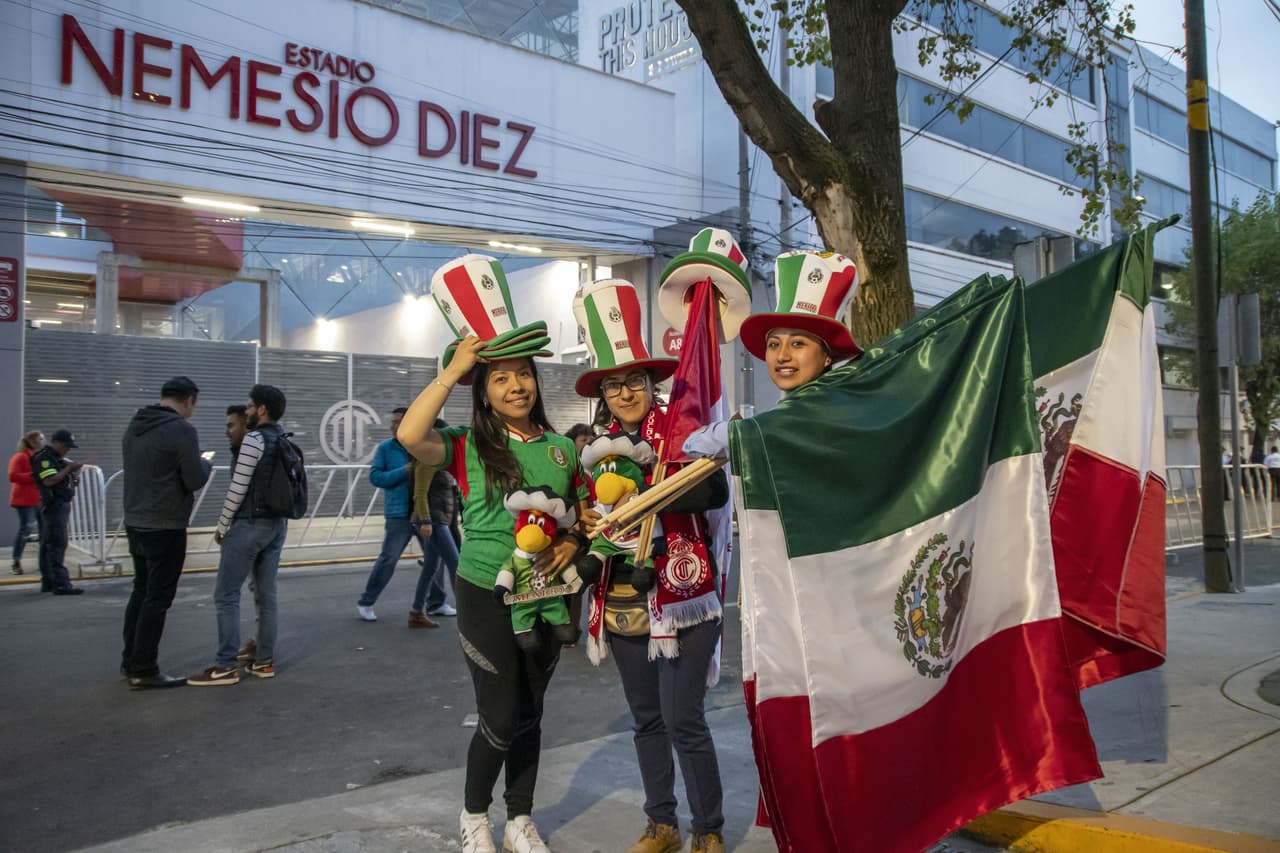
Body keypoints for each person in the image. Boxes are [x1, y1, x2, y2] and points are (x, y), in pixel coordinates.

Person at [399, 254, 591, 853]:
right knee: (500, 712)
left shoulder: (563, 447)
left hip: (550, 591)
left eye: (523, 374)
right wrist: (453, 370)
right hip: (485, 589)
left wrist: (571, 541)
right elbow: (409, 436)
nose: (516, 385)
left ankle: (521, 819)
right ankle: (474, 816)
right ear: (483, 390)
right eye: (500, 377)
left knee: (532, 711)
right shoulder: (465, 445)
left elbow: (585, 516)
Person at [572, 278, 730, 853]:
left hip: (685, 595)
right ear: (604, 395)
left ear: (650, 383)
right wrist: (592, 519)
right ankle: (660, 822)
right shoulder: (596, 448)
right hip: (622, 597)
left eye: (633, 381)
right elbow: (583, 514)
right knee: (647, 721)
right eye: (614, 386)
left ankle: (707, 829)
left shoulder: (684, 430)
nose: (625, 393)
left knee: (683, 718)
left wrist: (647, 497)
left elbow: (713, 493)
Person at [188, 384, 290, 685]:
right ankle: (264, 662)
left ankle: (225, 666)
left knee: (226, 595)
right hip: (276, 525)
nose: (246, 411)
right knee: (266, 596)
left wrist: (222, 525)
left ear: (261, 409)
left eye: (249, 406)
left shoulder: (255, 439)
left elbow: (238, 487)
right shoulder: (281, 438)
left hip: (248, 524)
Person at [120, 377, 213, 689]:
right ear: (189, 400)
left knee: (141, 591)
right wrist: (205, 463)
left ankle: (130, 660)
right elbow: (194, 479)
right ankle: (144, 669)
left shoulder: (135, 424)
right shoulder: (183, 430)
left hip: (135, 521)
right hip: (166, 523)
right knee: (157, 598)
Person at [356, 406, 439, 627]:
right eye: (392, 422)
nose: (394, 426)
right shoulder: (386, 448)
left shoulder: (421, 445)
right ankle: (366, 601)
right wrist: (403, 471)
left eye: (399, 422)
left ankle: (436, 602)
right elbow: (375, 477)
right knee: (389, 559)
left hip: (424, 513)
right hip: (399, 514)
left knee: (434, 558)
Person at [415, 418, 461, 618]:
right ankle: (470, 610)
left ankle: (416, 611)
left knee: (430, 568)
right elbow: (420, 492)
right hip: (432, 521)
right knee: (455, 563)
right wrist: (425, 520)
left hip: (442, 520)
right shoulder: (427, 459)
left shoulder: (444, 460)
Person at [30, 429, 84, 595]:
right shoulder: (44, 458)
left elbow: (62, 478)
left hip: (59, 504)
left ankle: (49, 582)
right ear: (57, 443)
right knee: (56, 544)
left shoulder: (56, 458)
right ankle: (61, 584)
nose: (67, 450)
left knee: (48, 544)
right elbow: (49, 480)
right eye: (66, 446)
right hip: (53, 505)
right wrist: (68, 469)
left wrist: (73, 474)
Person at [560, 422, 596, 645]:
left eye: (592, 438)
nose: (589, 442)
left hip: (588, 534)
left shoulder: (595, 467)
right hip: (567, 534)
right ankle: (562, 626)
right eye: (584, 439)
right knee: (565, 583)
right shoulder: (564, 468)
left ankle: (573, 628)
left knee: (578, 586)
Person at [8, 430, 43, 575]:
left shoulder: (39, 457)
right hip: (24, 500)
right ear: (33, 442)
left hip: (39, 499)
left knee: (45, 530)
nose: (43, 441)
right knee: (26, 530)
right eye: (41, 439)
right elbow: (13, 476)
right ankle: (16, 561)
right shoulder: (20, 457)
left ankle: (44, 562)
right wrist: (33, 476)